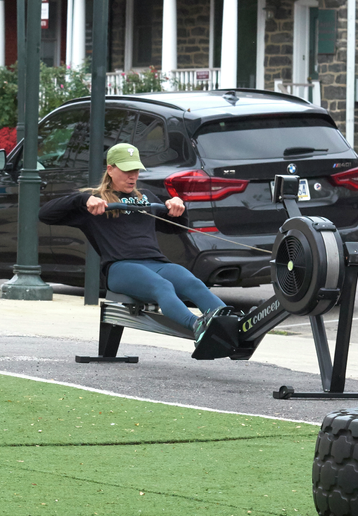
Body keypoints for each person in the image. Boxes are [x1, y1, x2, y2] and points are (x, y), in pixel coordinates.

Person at [39, 143, 235, 358]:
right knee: (162, 287)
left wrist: (179, 207)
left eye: (135, 170)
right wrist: (82, 199)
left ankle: (233, 325)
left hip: (155, 262)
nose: (132, 176)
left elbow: (172, 228)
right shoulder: (94, 201)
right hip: (120, 268)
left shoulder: (146, 198)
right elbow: (45, 215)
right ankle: (198, 327)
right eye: (126, 171)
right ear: (110, 169)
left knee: (193, 282)